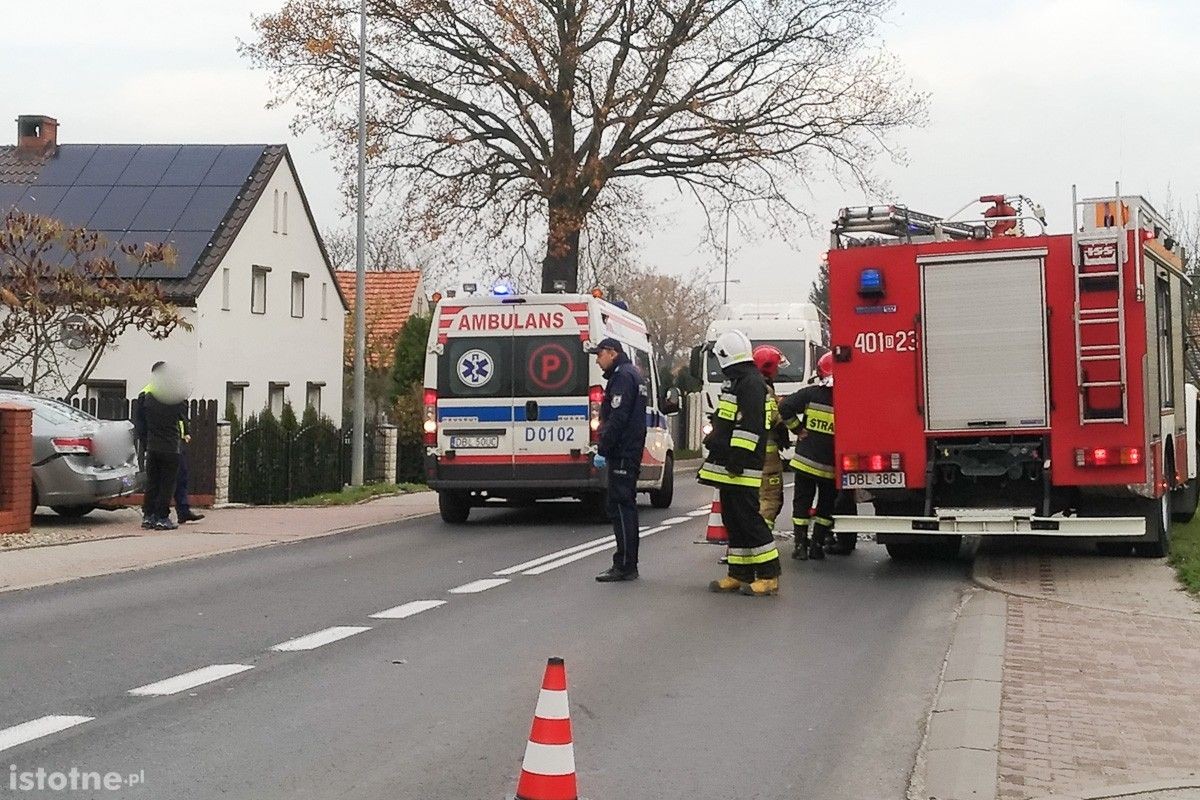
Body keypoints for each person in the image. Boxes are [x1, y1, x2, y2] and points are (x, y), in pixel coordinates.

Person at [699, 330, 782, 597]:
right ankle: (739, 573)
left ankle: (769, 575)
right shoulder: (737, 381)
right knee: (733, 520)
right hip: (730, 465)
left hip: (742, 466)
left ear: (726, 356)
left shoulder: (750, 383)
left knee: (749, 519)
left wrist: (737, 458)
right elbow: (729, 420)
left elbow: (752, 426)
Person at [588, 337, 649, 583]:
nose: (597, 359)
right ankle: (626, 562)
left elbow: (618, 417)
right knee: (623, 505)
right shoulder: (632, 374)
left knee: (622, 506)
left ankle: (625, 564)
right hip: (629, 449)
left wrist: (603, 448)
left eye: (599, 354)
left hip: (623, 451)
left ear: (612, 353)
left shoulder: (623, 377)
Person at [779, 351, 843, 559]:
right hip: (830, 467)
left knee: (802, 503)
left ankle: (800, 546)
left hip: (805, 463)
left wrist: (798, 430)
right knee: (826, 505)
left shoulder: (810, 393)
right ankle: (817, 545)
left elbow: (785, 407)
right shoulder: (848, 399)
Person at [134, 362, 189, 531]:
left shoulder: (148, 398)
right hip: (170, 447)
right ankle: (162, 517)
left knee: (153, 483)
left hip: (152, 447)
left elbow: (141, 422)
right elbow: (183, 413)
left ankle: (148, 516)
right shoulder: (173, 399)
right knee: (167, 484)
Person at [753, 344, 790, 529]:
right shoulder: (765, 391)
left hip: (753, 454)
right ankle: (762, 538)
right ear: (768, 367)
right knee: (771, 498)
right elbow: (774, 418)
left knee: (757, 500)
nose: (777, 371)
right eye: (776, 367)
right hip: (766, 456)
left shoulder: (751, 386)